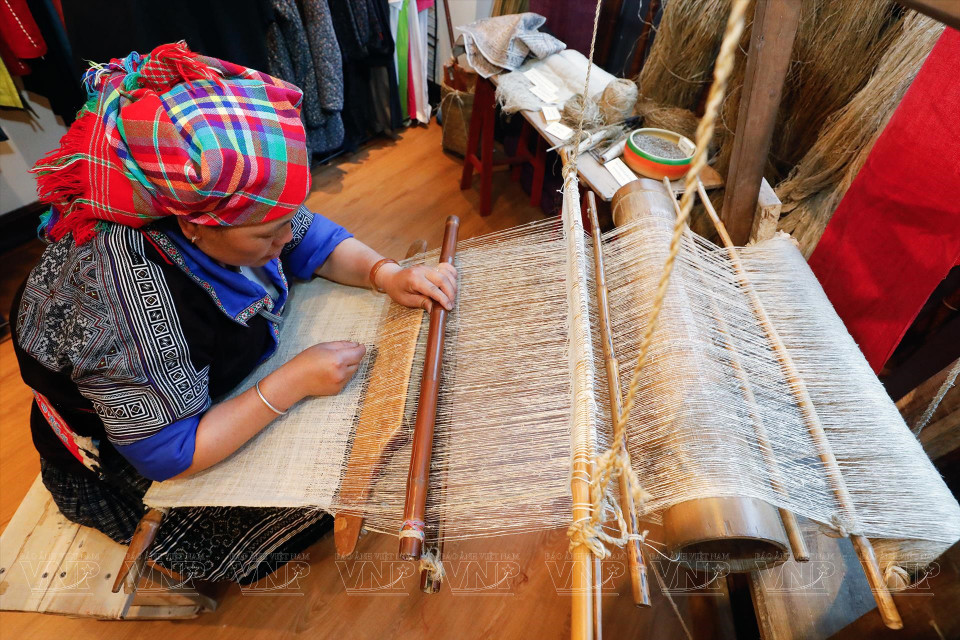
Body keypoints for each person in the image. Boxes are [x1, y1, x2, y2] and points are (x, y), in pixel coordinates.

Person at [11, 42, 456, 584]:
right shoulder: (125, 310)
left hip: (175, 370)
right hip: (119, 448)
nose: (286, 238)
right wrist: (290, 383)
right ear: (192, 226)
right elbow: (171, 453)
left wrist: (385, 274)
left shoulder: (216, 203)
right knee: (273, 535)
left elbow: (309, 237)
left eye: (286, 220)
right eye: (267, 235)